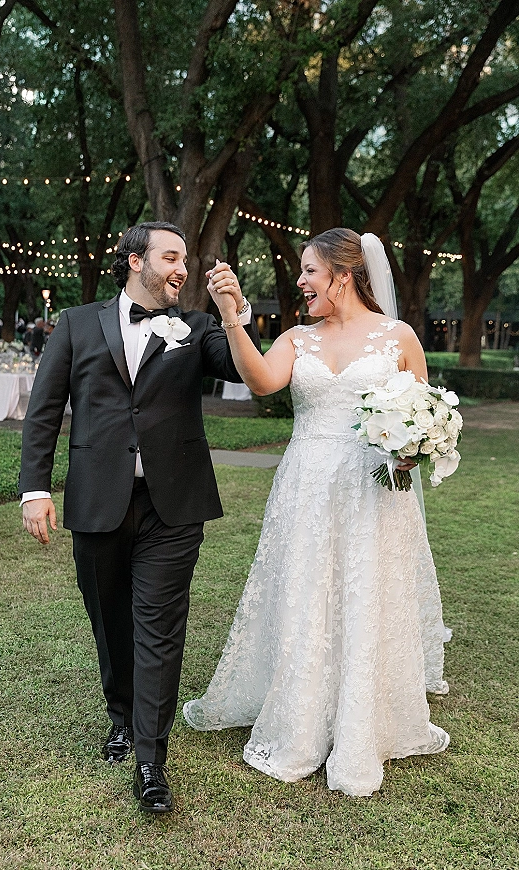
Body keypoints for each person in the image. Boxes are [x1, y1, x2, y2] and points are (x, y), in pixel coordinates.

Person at [183, 228, 450, 798]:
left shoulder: (397, 336)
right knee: (308, 591)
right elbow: (261, 381)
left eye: (309, 272)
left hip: (372, 489)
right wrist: (231, 315)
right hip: (305, 483)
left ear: (343, 275)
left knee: (364, 591)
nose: (301, 282)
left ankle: (363, 724)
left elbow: (422, 410)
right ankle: (302, 720)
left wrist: (410, 450)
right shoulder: (296, 339)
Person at [19, 221, 260, 813]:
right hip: (98, 501)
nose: (182, 268)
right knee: (111, 620)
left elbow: (241, 370)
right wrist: (34, 489)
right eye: (170, 256)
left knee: (159, 627)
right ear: (135, 261)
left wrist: (233, 311)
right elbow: (45, 411)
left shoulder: (198, 327)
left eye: (186, 259)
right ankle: (121, 717)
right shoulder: (76, 324)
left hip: (173, 505)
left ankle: (152, 762)